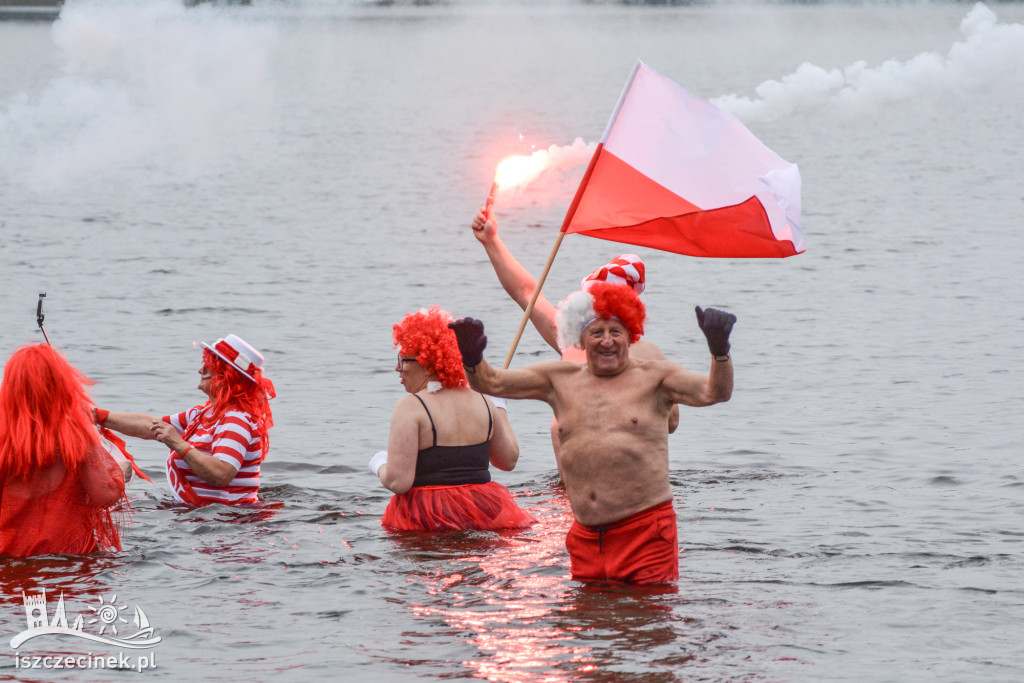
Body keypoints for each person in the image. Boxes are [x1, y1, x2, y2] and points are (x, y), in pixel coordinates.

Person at [448, 282, 736, 584]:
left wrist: (720, 353)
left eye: (616, 332)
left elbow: (715, 392)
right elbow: (491, 383)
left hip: (645, 532)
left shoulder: (657, 377)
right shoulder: (558, 379)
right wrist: (472, 357)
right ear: (581, 340)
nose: (607, 341)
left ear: (631, 336)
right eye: (597, 332)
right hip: (586, 538)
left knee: (647, 612)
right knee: (587, 614)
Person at [469, 209, 679, 445]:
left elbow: (671, 421)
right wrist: (491, 241)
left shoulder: (647, 358)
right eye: (591, 307)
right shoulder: (573, 343)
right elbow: (527, 292)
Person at [370, 304, 535, 532]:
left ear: (428, 364)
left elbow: (398, 482)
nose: (397, 368)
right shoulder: (484, 401)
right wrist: (499, 408)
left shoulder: (410, 407)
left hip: (428, 521)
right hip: (485, 514)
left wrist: (379, 465)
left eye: (403, 360)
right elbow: (508, 461)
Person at [99, 334, 275, 507]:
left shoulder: (236, 420)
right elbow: (149, 426)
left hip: (227, 518)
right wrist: (98, 416)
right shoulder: (202, 414)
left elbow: (221, 474)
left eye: (207, 368)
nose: (200, 371)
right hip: (203, 512)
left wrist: (178, 443)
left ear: (226, 376)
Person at [0, 344, 130, 557]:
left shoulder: (4, 438)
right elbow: (105, 496)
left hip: (10, 556)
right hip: (69, 555)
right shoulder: (75, 436)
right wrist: (120, 473)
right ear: (60, 383)